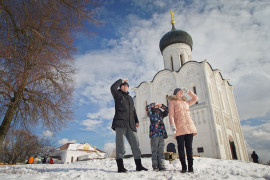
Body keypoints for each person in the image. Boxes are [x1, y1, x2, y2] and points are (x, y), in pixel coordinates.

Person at [111, 78, 148, 173]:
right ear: (121, 87)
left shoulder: (130, 98)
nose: (125, 87)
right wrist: (121, 80)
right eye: (123, 85)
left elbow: (133, 111)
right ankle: (120, 167)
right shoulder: (117, 94)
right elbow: (112, 87)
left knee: (136, 144)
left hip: (131, 124)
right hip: (120, 123)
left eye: (127, 86)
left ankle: (139, 166)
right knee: (120, 145)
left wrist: (136, 120)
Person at [168, 87, 198, 173]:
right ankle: (184, 167)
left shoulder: (186, 102)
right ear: (175, 93)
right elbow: (171, 115)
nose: (181, 93)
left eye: (182, 92)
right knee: (181, 148)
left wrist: (188, 91)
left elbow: (195, 98)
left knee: (189, 148)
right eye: (179, 92)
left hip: (189, 127)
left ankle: (190, 167)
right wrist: (173, 127)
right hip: (179, 128)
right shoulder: (172, 102)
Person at [145, 103, 168, 171]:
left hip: (161, 134)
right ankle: (155, 166)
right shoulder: (151, 113)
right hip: (154, 134)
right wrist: (154, 104)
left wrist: (162, 106)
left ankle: (162, 166)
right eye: (156, 106)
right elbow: (147, 107)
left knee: (161, 151)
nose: (157, 107)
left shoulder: (161, 114)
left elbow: (167, 110)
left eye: (158, 107)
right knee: (154, 151)